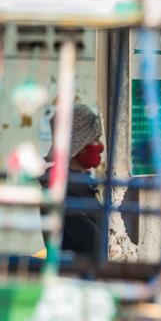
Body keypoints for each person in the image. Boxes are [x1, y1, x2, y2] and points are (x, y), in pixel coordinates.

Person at [41, 103, 105, 260]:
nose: (100, 146)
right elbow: (95, 242)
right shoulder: (59, 187)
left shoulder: (81, 182)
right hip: (75, 276)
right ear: (80, 147)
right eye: (95, 139)